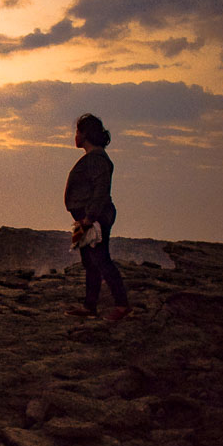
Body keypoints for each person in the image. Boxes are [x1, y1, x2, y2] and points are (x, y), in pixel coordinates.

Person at [64, 113, 131, 321]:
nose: (75, 136)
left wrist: (90, 217)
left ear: (85, 134)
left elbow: (101, 189)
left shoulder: (97, 159)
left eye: (77, 132)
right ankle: (89, 306)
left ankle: (122, 305)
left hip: (93, 218)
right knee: (88, 261)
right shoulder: (93, 158)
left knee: (102, 260)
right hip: (83, 217)